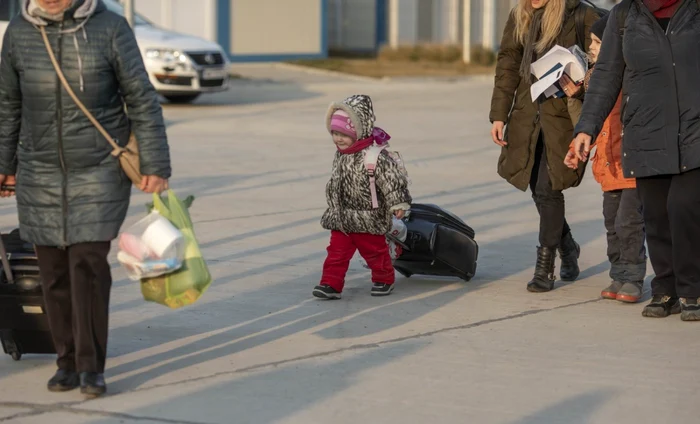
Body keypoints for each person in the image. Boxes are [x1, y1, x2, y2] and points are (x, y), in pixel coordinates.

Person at [0, 0, 171, 396]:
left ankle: (91, 366)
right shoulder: (20, 32)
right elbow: (8, 103)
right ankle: (66, 361)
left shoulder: (110, 27)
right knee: (53, 271)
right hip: (39, 170)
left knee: (88, 265)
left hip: (99, 169)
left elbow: (141, 98)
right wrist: (4, 162)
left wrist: (156, 163)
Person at [571, 0, 700, 321]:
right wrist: (586, 129)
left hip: (694, 129)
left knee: (684, 207)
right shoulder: (624, 16)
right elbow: (606, 75)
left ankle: (692, 288)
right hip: (646, 131)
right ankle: (665, 289)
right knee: (656, 216)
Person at [489, 0, 600, 293]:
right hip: (527, 115)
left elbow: (606, 57)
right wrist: (499, 114)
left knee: (548, 189)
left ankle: (544, 266)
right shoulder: (520, 17)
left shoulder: (580, 14)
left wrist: (584, 83)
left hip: (563, 117)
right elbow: (508, 65)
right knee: (537, 189)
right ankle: (568, 245)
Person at [564, 14, 647, 304]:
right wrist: (576, 99)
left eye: (598, 42)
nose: (592, 47)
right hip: (607, 164)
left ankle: (634, 276)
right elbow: (593, 126)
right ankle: (618, 273)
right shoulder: (593, 79)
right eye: (591, 41)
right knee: (612, 222)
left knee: (629, 222)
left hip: (632, 163)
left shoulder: (629, 77)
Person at [313, 94, 411, 300]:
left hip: (368, 217)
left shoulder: (374, 156)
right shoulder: (341, 154)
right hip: (342, 217)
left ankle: (384, 279)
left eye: (344, 134)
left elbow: (391, 180)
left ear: (359, 131)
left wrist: (397, 202)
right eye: (334, 133)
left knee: (375, 253)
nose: (338, 139)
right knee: (336, 254)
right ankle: (330, 284)